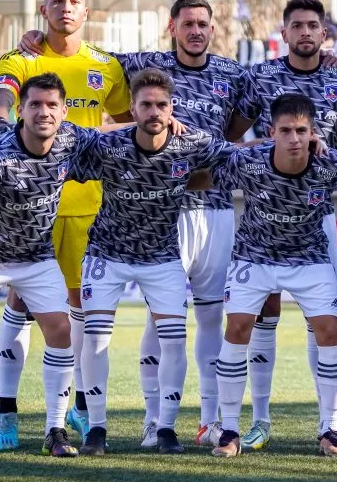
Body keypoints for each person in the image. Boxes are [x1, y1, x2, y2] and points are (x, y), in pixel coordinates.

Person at [0, 0, 132, 451]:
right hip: (30, 209)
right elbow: (3, 92)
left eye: (74, 1)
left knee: (76, 312)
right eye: (57, 1)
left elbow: (131, 115)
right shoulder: (24, 57)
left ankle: (73, 406)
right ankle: (6, 412)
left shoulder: (104, 66)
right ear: (43, 10)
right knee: (21, 304)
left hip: (89, 208)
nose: (65, 8)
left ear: (86, 12)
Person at [201, 94, 337, 458]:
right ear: (272, 132)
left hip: (309, 259)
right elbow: (203, 174)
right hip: (254, 258)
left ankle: (330, 429)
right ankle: (230, 429)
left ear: (313, 133)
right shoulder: (246, 161)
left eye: (301, 130)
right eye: (285, 131)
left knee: (328, 330)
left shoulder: (328, 164)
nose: (294, 138)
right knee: (236, 331)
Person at [70, 69, 233, 456]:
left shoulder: (190, 142)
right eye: (146, 104)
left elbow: (242, 155)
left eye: (162, 104)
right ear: (132, 108)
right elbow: (61, 147)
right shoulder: (107, 145)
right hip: (106, 255)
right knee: (94, 339)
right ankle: (96, 429)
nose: (154, 111)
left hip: (161, 257)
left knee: (174, 340)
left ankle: (165, 429)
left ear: (172, 107)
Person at [228, 0, 337, 450]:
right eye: (297, 25)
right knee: (260, 313)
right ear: (284, 32)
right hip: (265, 211)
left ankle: (329, 424)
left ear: (324, 33)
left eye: (313, 25)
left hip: (315, 214)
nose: (305, 32)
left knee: (321, 320)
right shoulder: (261, 75)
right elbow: (234, 132)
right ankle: (259, 419)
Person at [0, 73, 98, 458]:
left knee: (61, 329)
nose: (44, 112)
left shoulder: (70, 138)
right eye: (35, 104)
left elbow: (113, 135)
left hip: (36, 258)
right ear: (22, 110)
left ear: (64, 111)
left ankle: (55, 430)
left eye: (52, 105)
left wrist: (155, 121)